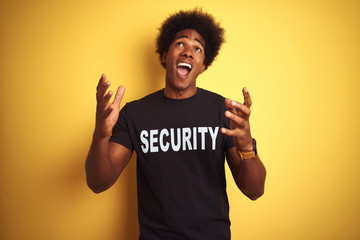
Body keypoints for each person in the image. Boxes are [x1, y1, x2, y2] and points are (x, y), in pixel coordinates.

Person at [86, 8, 266, 240]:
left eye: (197, 49)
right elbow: (98, 182)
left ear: (203, 65)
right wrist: (100, 136)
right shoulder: (134, 114)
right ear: (164, 55)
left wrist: (246, 148)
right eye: (180, 44)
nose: (188, 52)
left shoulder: (223, 111)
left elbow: (254, 191)